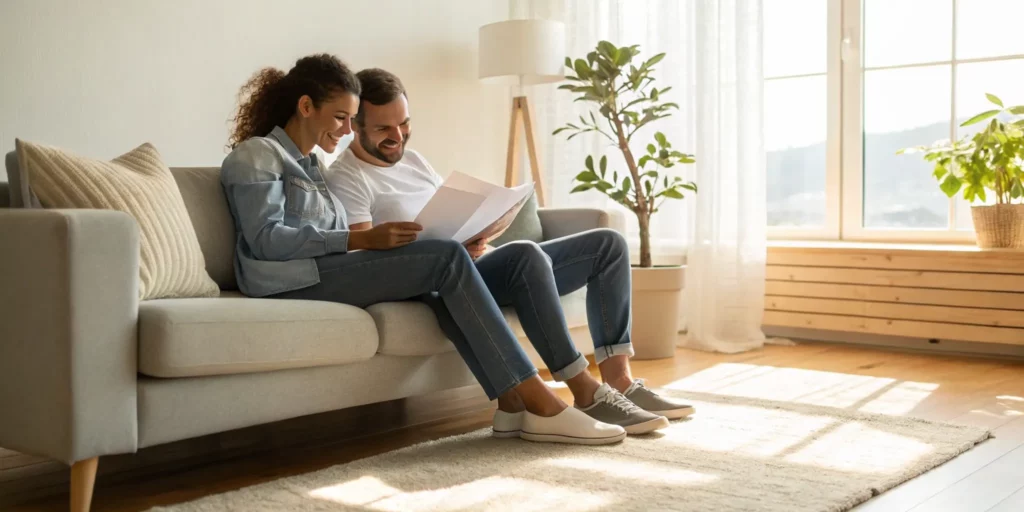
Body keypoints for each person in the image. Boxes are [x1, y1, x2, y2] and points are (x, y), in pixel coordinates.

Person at [220, 54, 626, 445]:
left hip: (328, 269)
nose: (345, 131)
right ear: (305, 106)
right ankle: (539, 401)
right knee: (445, 257)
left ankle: (518, 402)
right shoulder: (256, 155)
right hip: (292, 280)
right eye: (342, 118)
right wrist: (360, 239)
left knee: (455, 257)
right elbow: (267, 240)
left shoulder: (311, 165)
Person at [326, 68, 695, 437]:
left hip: (473, 262)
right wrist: (444, 249)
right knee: (525, 255)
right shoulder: (347, 177)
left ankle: (620, 384)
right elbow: (371, 257)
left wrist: (475, 233)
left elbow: (444, 213)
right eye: (383, 130)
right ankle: (585, 390)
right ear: (355, 127)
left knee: (608, 245)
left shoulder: (415, 161)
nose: (397, 136)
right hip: (442, 279)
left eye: (404, 124)